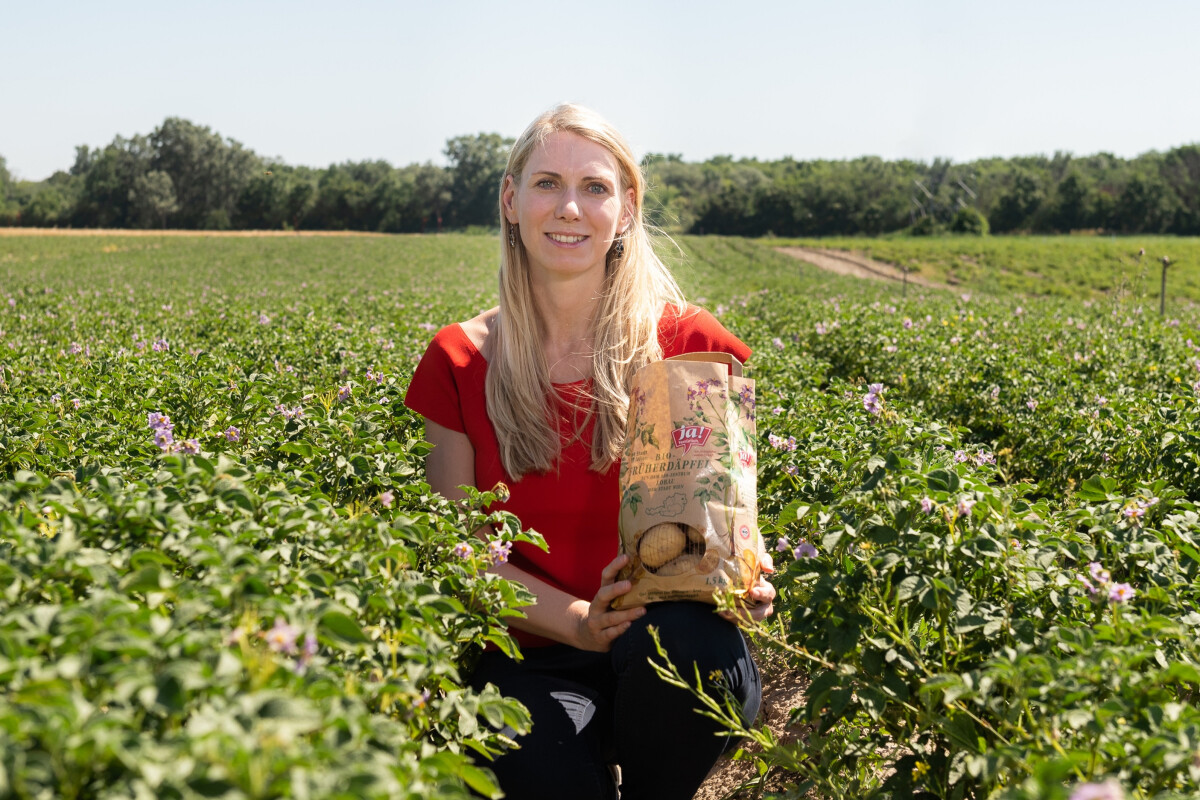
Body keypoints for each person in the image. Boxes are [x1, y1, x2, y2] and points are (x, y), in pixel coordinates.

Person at [404, 103, 775, 800]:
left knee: (691, 652)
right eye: (546, 184)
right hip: (529, 653)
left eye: (595, 187)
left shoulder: (689, 346)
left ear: (626, 210)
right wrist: (577, 623)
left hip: (664, 633)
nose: (569, 207)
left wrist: (743, 571)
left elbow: (724, 511)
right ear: (511, 201)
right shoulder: (458, 359)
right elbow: (460, 556)